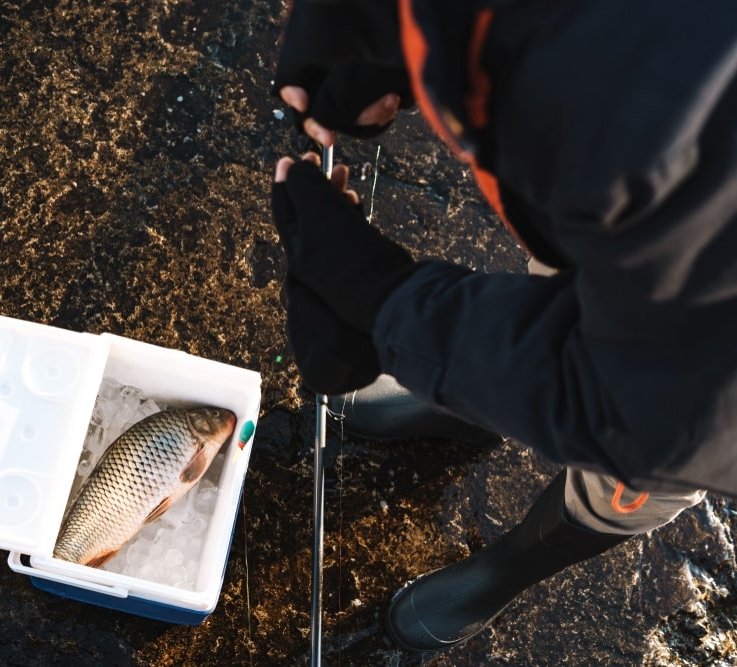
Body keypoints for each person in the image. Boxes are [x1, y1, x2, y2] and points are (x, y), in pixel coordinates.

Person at [269, 0, 737, 653]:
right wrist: (405, 38)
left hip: (693, 397)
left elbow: (657, 412)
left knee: (633, 470)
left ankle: (508, 565)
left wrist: (390, 304)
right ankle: (466, 398)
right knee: (567, 268)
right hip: (627, 196)